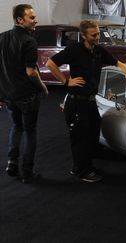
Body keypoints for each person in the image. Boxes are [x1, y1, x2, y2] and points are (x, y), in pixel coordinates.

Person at [46, 20, 126, 183]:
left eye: (98, 34)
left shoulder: (99, 51)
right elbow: (50, 64)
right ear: (83, 35)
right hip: (76, 102)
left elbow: (117, 62)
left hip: (90, 101)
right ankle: (80, 170)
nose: (97, 37)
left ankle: (88, 163)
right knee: (81, 137)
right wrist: (66, 81)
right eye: (93, 35)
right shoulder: (74, 50)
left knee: (94, 132)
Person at [0, 4, 48, 184]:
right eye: (32, 18)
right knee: (30, 131)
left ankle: (12, 163)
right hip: (27, 96)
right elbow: (31, 72)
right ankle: (27, 172)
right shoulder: (29, 41)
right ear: (20, 20)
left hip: (9, 95)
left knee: (16, 126)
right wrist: (42, 86)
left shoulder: (2, 37)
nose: (36, 20)